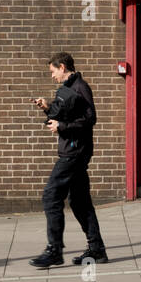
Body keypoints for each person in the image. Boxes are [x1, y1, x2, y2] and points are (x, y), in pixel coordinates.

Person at [29, 52, 108, 268]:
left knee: (51, 196)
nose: (52, 76)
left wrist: (62, 127)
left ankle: (54, 250)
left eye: (53, 71)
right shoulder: (68, 89)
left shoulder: (80, 87)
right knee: (79, 201)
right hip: (73, 150)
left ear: (62, 67)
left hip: (74, 152)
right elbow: (63, 115)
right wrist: (47, 108)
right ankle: (97, 249)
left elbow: (91, 119)